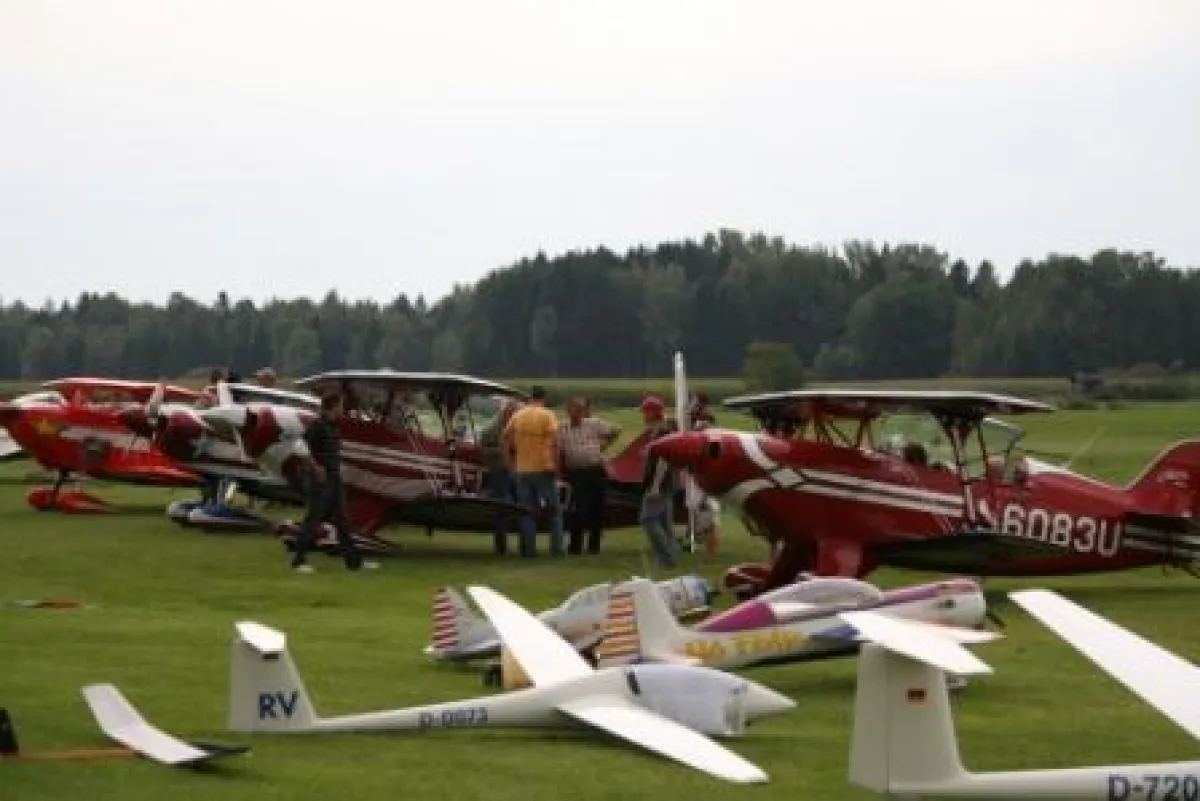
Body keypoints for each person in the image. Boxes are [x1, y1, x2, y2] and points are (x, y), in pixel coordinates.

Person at [290, 392, 379, 574]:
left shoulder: (333, 427)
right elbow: (299, 447)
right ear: (333, 406)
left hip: (334, 479)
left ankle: (354, 563)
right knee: (313, 520)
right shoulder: (318, 426)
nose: (343, 409)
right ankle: (298, 561)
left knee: (344, 522)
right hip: (320, 481)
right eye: (340, 405)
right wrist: (316, 468)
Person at [502, 385, 565, 558]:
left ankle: (529, 550)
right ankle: (557, 550)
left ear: (529, 398)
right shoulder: (548, 415)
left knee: (528, 512)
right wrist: (558, 468)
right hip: (544, 468)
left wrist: (510, 465)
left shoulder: (518, 415)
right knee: (554, 512)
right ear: (544, 398)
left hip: (522, 469)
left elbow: (505, 438)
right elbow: (555, 443)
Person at [559, 396, 621, 555]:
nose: (578, 413)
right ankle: (575, 546)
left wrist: (604, 445)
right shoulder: (562, 428)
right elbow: (557, 450)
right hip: (577, 473)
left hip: (595, 470)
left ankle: (594, 547)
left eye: (580, 410)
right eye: (574, 409)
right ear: (568, 410)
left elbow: (616, 430)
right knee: (578, 509)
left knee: (597, 508)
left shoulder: (593, 424)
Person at [639, 396, 679, 568]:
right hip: (667, 482)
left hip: (659, 483)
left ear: (653, 412)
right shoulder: (660, 430)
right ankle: (669, 559)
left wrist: (655, 486)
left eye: (645, 411)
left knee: (648, 519)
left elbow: (664, 460)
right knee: (664, 522)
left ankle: (667, 557)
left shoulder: (662, 432)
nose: (643, 415)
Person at [480, 399, 522, 555]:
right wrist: (500, 452)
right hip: (499, 471)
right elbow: (483, 449)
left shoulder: (517, 427)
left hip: (516, 471)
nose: (514, 416)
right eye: (511, 413)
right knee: (502, 506)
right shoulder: (492, 429)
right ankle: (501, 546)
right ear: (505, 413)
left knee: (521, 507)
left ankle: (524, 545)